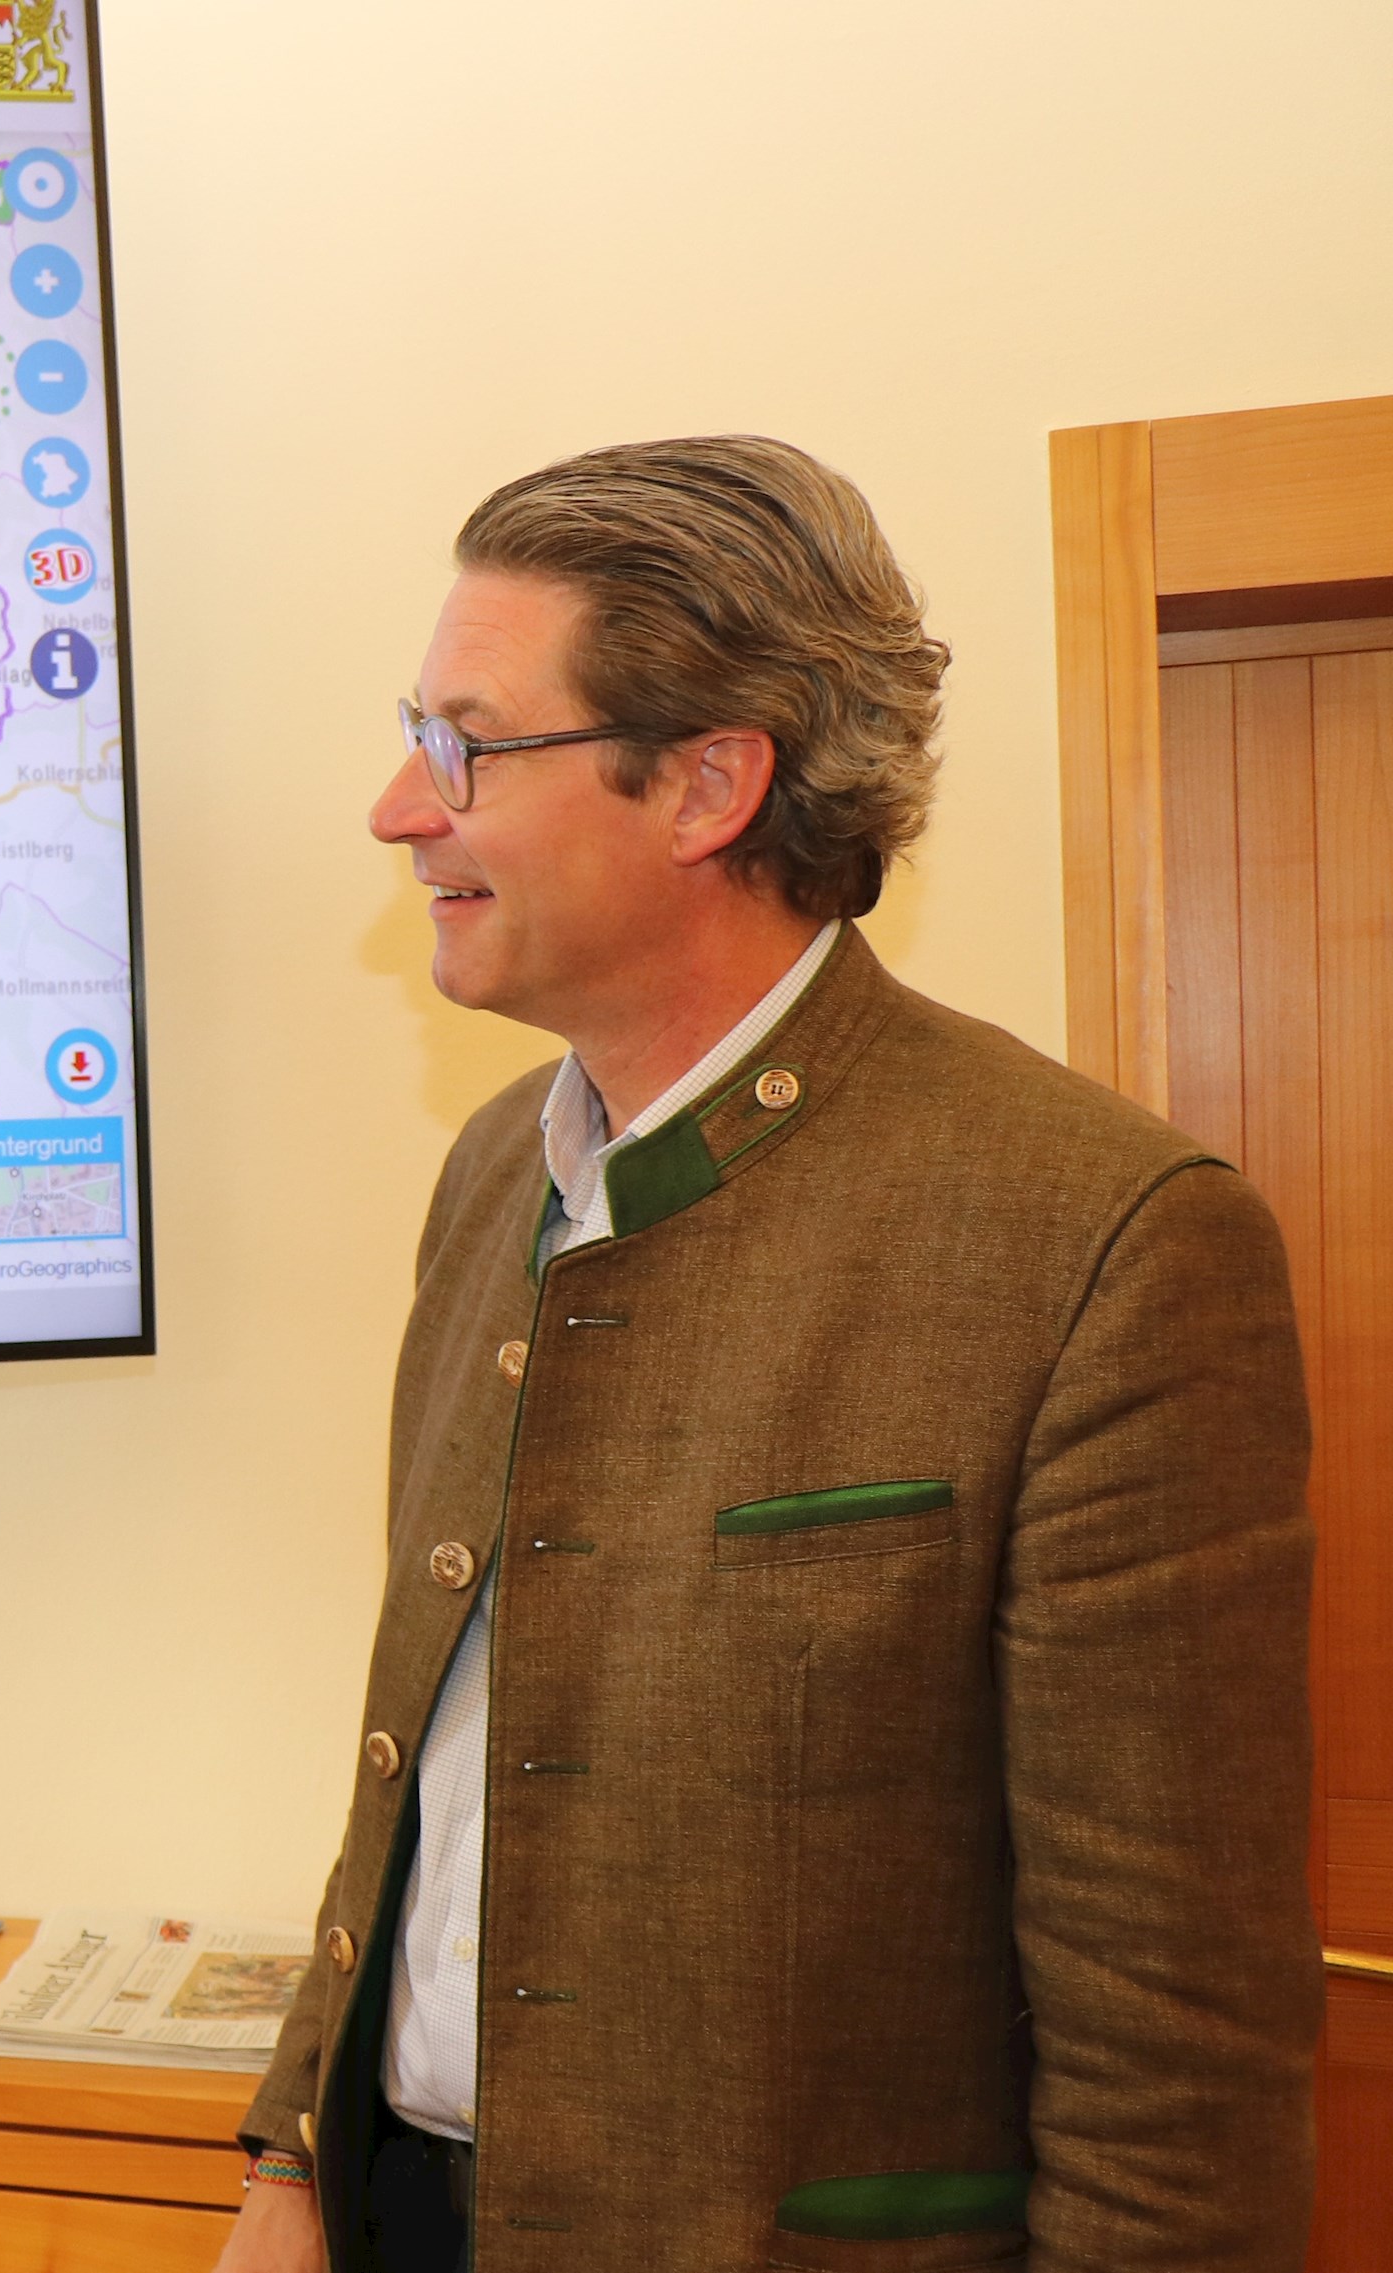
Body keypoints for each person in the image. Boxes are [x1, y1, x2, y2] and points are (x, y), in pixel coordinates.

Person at [216, 438, 1312, 2272]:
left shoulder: (1106, 1242)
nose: (404, 807)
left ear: (711, 779)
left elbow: (1177, 2050)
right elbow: (430, 1746)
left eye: (471, 742)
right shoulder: (497, 1169)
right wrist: (289, 2162)